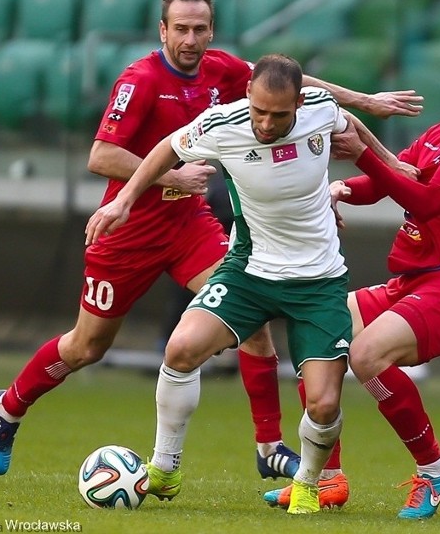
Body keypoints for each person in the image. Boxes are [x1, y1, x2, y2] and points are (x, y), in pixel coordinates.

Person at [0, 0, 423, 485]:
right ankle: (9, 406)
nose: (191, 39)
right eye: (181, 29)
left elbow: (298, 89)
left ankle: (268, 446)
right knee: (87, 346)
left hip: (189, 225)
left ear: (212, 30)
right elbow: (100, 156)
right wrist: (171, 178)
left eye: (200, 29)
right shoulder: (139, 80)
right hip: (131, 231)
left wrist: (366, 101)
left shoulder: (225, 70)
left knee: (251, 319)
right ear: (162, 30)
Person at [87, 53, 361, 514]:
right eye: (259, 111)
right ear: (248, 94)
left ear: (298, 103)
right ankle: (164, 468)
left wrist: (389, 162)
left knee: (324, 404)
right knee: (181, 349)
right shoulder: (222, 122)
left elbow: (353, 128)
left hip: (318, 280)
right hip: (249, 270)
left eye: (279, 114)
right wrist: (124, 202)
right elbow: (166, 149)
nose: (267, 123)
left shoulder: (319, 109)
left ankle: (309, 484)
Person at [266, 45, 440, 519]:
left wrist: (362, 154)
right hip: (414, 281)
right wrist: (343, 187)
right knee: (317, 328)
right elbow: (392, 178)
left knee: (366, 357)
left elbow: (427, 201)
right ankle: (326, 478)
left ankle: (434, 467)